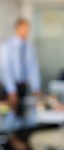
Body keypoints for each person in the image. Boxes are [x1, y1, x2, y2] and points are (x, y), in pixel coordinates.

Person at [0, 18, 41, 150]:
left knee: (23, 116)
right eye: (24, 29)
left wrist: (36, 87)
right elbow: (6, 69)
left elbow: (33, 68)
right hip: (9, 86)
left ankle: (19, 140)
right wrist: (11, 90)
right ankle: (8, 141)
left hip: (24, 86)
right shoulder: (6, 46)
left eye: (28, 29)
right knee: (10, 114)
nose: (26, 32)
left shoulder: (29, 47)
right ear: (17, 29)